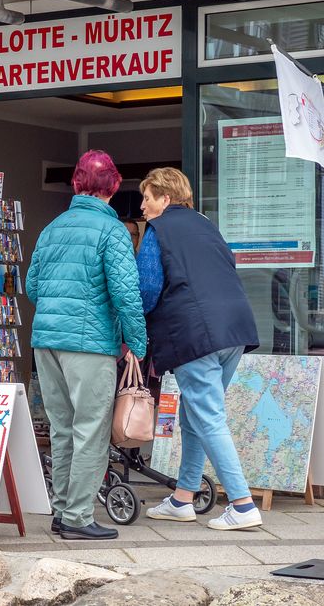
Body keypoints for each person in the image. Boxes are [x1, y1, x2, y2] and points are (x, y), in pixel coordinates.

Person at [25, 150, 147, 541]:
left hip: (46, 341)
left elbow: (32, 287)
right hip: (90, 342)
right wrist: (138, 344)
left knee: (61, 429)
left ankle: (62, 511)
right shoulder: (111, 231)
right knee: (90, 429)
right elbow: (126, 294)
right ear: (113, 187)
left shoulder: (52, 228)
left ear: (76, 185)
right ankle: (78, 517)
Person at [137, 168, 262, 531]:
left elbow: (147, 288)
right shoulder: (207, 225)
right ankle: (183, 498)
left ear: (165, 198)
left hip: (195, 333)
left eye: (147, 197)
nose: (142, 206)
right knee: (196, 415)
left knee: (207, 417)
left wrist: (132, 327)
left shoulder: (159, 230)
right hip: (234, 329)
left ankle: (241, 504)